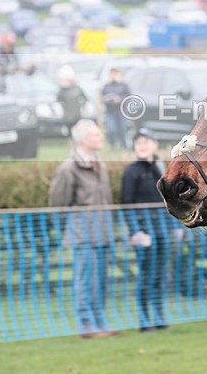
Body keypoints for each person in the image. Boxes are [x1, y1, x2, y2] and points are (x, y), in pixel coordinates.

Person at [48, 119, 118, 339]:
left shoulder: (99, 162)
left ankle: (100, 321)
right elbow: (57, 204)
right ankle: (85, 324)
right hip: (83, 234)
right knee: (85, 279)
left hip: (103, 232)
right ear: (84, 139)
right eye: (97, 135)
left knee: (101, 280)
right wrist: (70, 229)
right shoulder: (69, 167)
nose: (101, 138)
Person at [121, 128, 176, 331]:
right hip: (144, 231)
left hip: (162, 229)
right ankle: (144, 320)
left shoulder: (161, 169)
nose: (142, 146)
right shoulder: (131, 171)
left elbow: (169, 200)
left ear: (155, 144)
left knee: (160, 275)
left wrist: (174, 227)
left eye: (146, 142)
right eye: (138, 143)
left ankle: (159, 317)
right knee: (146, 274)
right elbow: (126, 203)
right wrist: (136, 232)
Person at [101, 68, 131, 150]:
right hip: (110, 112)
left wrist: (120, 99)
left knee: (123, 130)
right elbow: (102, 97)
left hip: (122, 112)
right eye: (112, 74)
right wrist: (107, 99)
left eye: (115, 74)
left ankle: (124, 146)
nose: (113, 76)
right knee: (111, 129)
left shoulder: (124, 85)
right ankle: (112, 146)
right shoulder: (106, 86)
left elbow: (129, 97)